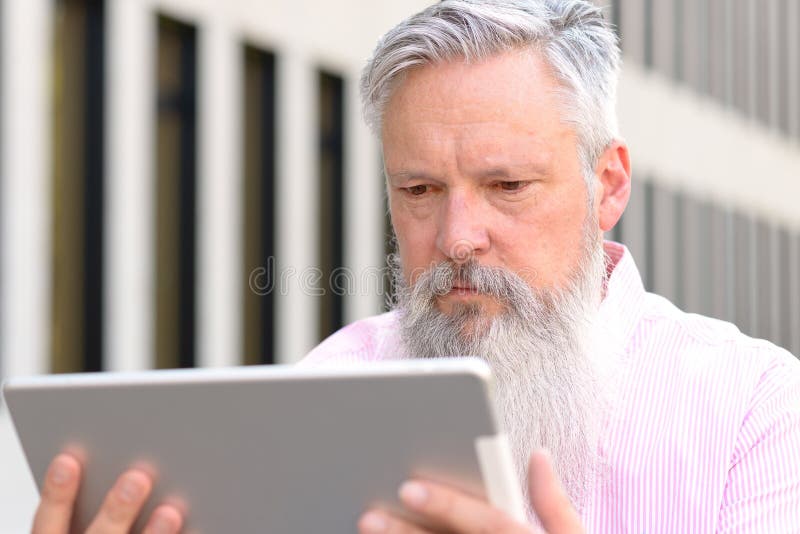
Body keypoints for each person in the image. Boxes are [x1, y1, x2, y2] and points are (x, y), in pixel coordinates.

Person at [32, 0, 800, 532]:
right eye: (421, 190)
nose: (459, 236)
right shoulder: (327, 386)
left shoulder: (753, 409)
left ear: (607, 186)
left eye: (507, 186)